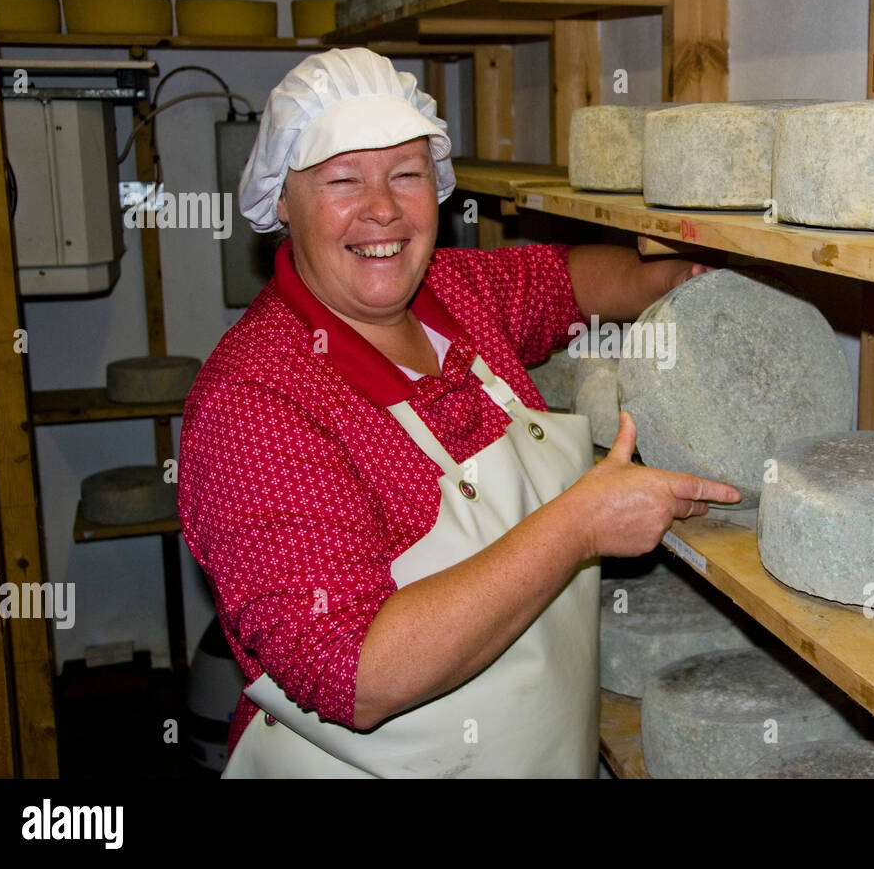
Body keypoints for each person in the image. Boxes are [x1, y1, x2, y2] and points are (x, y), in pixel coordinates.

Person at [177, 47, 739, 777]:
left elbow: (572, 283)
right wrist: (579, 526)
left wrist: (690, 272)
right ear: (283, 202)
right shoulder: (254, 402)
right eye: (343, 179)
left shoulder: (457, 291)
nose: (382, 209)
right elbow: (356, 674)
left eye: (405, 175)